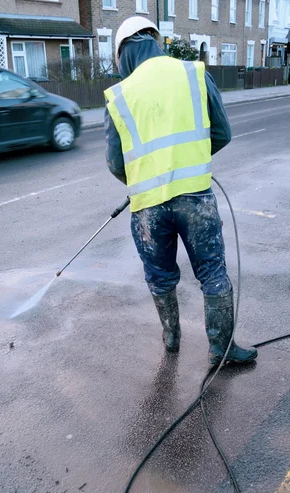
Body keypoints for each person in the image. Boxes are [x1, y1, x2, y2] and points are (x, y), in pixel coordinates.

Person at [104, 16, 257, 366]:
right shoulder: (194, 73)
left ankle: (172, 338)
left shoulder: (119, 95)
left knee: (159, 276)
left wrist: (148, 177)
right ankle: (222, 348)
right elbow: (222, 133)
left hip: (147, 207)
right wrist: (190, 161)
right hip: (195, 197)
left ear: (122, 53)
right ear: (156, 41)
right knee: (212, 272)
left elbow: (116, 163)